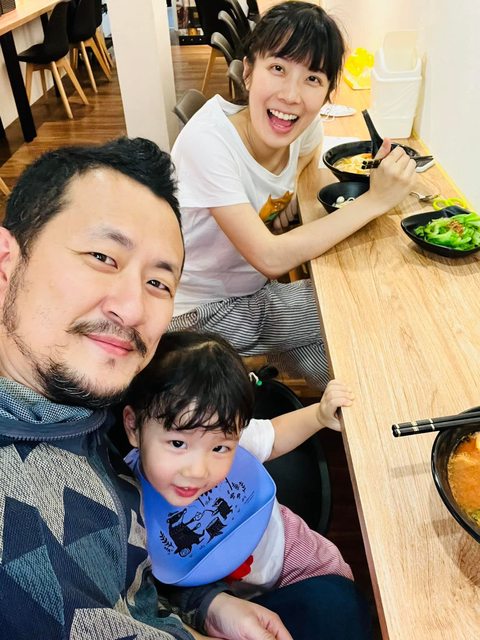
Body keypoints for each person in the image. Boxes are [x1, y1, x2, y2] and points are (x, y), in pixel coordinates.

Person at [0, 137, 294, 640]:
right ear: (7, 261)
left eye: (158, 283)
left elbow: (134, 564)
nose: (133, 309)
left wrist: (204, 604)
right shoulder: (26, 532)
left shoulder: (96, 388)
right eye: (102, 256)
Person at [169, 1, 417, 392]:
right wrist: (375, 200)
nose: (291, 95)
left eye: (312, 78)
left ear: (328, 93)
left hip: (251, 291)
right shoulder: (208, 142)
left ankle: (366, 414)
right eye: (278, 68)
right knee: (355, 302)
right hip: (198, 314)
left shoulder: (303, 128)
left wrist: (292, 200)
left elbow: (308, 164)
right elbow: (269, 257)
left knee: (347, 372)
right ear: (248, 71)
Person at [122, 330, 355, 597]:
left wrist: (319, 415)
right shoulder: (125, 496)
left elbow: (274, 437)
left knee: (341, 590)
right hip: (225, 598)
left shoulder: (225, 430)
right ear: (133, 426)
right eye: (177, 444)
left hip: (285, 550)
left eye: (219, 448)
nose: (198, 471)